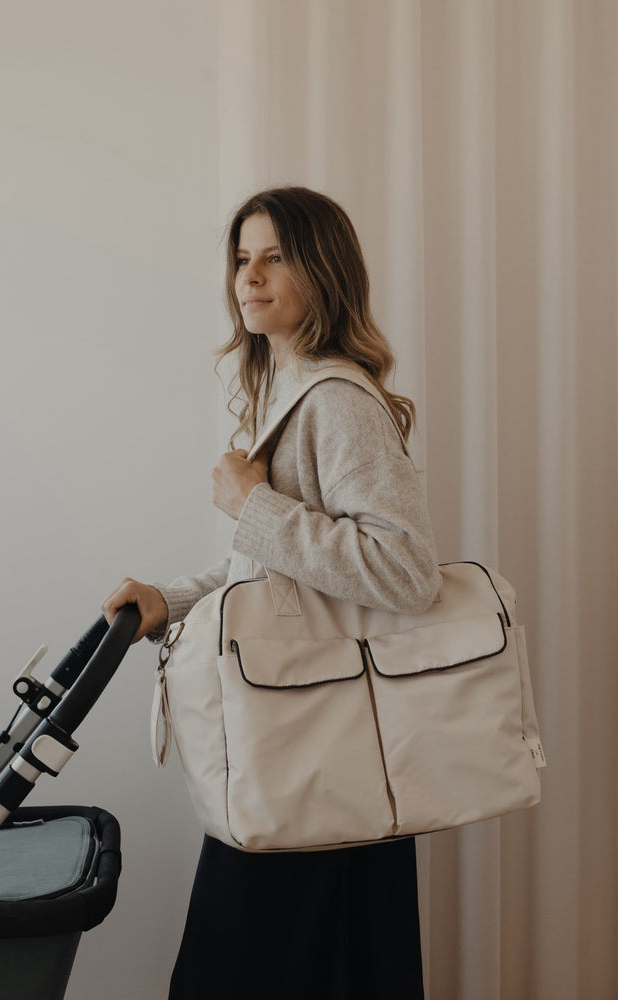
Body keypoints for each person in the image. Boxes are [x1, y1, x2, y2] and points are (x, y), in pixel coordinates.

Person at [102, 186, 440, 1000]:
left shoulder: (337, 402)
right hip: (299, 755)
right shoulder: (289, 395)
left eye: (275, 257)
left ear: (322, 270)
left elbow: (404, 570)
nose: (248, 277)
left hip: (318, 764)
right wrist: (171, 600)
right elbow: (278, 578)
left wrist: (252, 504)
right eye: (241, 259)